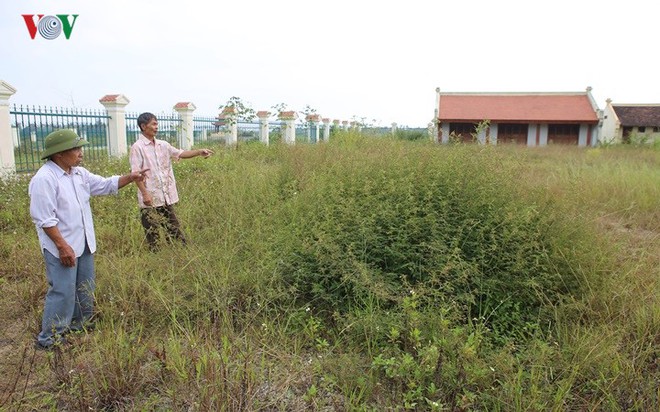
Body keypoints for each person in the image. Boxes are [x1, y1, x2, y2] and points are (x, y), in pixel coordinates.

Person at [29, 129, 148, 350]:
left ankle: (79, 325)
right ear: (59, 153)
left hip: (83, 242)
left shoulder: (79, 174)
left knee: (84, 287)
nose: (81, 152)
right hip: (61, 246)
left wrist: (131, 178)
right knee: (63, 290)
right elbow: (44, 219)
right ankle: (49, 338)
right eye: (76, 148)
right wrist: (62, 246)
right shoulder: (45, 179)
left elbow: (105, 185)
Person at [129, 112, 214, 251]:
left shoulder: (163, 145)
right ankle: (155, 260)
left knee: (174, 230)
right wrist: (145, 194)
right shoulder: (137, 147)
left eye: (157, 123)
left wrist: (199, 152)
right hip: (149, 199)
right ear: (143, 126)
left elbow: (180, 154)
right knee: (152, 235)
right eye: (153, 124)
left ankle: (179, 253)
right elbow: (136, 174)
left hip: (164, 197)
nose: (156, 127)